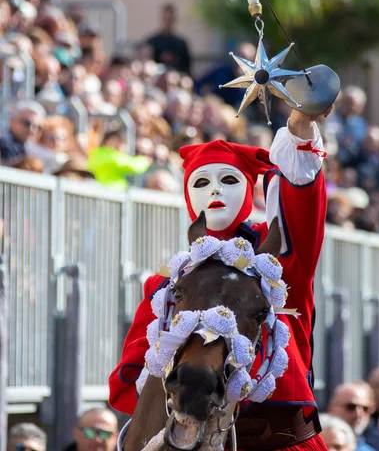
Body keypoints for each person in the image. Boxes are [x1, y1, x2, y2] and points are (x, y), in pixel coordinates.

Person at [109, 106, 331, 451]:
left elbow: (302, 209)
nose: (215, 192)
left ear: (247, 188)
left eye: (228, 180)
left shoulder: (278, 264)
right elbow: (140, 366)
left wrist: (300, 131)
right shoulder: (166, 283)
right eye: (201, 181)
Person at [328, 382, 379, 451]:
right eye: (351, 407)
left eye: (365, 408)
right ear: (332, 408)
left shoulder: (378, 444)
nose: (358, 414)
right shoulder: (317, 439)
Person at [143, 3, 191, 74]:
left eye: (170, 19)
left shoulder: (181, 43)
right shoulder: (152, 41)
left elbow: (186, 67)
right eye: (166, 18)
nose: (168, 21)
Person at [0, 101, 46, 166]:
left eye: (38, 127)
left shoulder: (34, 149)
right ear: (11, 121)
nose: (32, 130)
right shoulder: (4, 145)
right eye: (27, 123)